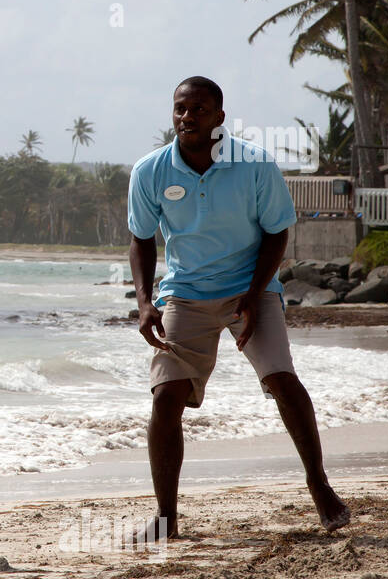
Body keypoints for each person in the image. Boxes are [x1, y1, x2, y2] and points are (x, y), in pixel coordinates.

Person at [126, 75, 350, 542]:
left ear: (219, 118)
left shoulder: (254, 165)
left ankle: (319, 483)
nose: (188, 117)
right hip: (185, 294)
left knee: (281, 380)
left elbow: (276, 234)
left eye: (199, 109)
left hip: (253, 289)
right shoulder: (149, 171)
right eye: (180, 109)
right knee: (165, 397)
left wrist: (253, 293)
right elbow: (141, 240)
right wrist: (146, 303)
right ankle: (166, 516)